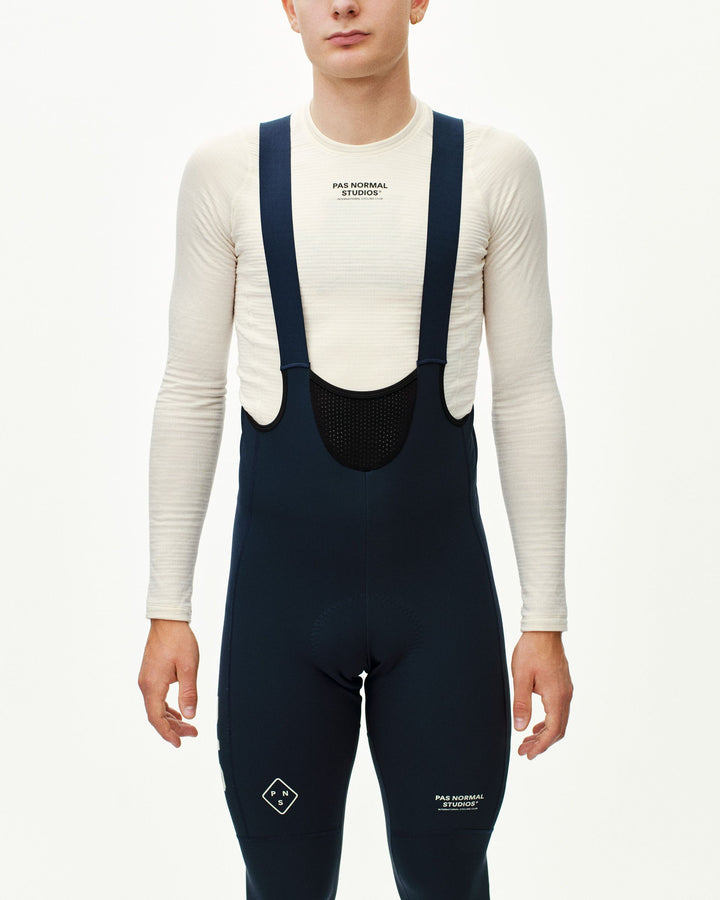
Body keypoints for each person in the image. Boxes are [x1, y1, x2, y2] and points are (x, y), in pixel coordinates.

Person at [138, 1, 574, 897]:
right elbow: (190, 390)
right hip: (280, 621)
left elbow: (528, 393)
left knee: (448, 880)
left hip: (443, 616)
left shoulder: (493, 170)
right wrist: (166, 608)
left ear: (418, 1)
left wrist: (546, 619)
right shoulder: (228, 175)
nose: (343, 5)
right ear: (288, 9)